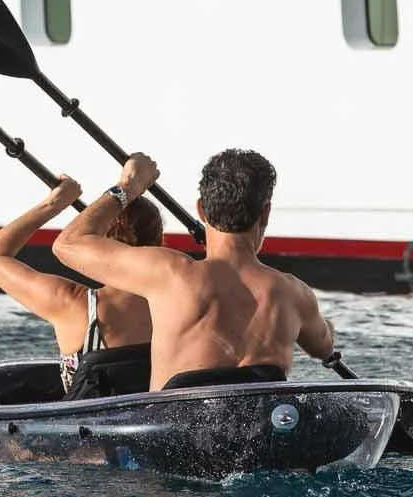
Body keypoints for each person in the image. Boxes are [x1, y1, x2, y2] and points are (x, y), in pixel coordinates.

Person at [53, 147, 335, 391]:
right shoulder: (295, 294)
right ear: (266, 214)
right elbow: (324, 346)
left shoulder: (170, 274)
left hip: (172, 430)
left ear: (201, 210)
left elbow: (67, 244)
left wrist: (129, 186)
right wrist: (321, 330)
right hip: (261, 430)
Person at [0, 174, 163, 395]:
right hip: (161, 411)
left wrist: (54, 203)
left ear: (93, 246)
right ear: (160, 242)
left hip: (88, 416)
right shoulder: (186, 299)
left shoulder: (71, 303)